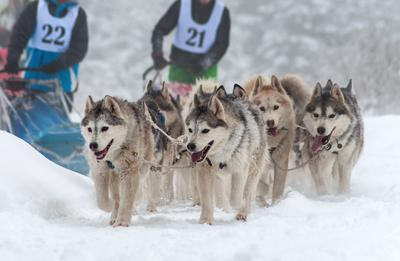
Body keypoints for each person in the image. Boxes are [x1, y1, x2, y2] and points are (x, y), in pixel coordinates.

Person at [3, 0, 88, 105]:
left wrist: (59, 64)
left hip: (62, 86)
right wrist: (13, 58)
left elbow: (79, 49)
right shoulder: (35, 8)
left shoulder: (78, 15)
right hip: (32, 83)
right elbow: (19, 35)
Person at [151, 0, 230, 98]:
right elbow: (159, 30)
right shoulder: (181, 5)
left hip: (206, 74)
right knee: (174, 109)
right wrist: (157, 53)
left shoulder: (222, 11)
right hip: (179, 71)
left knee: (204, 111)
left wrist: (204, 64)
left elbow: (222, 44)